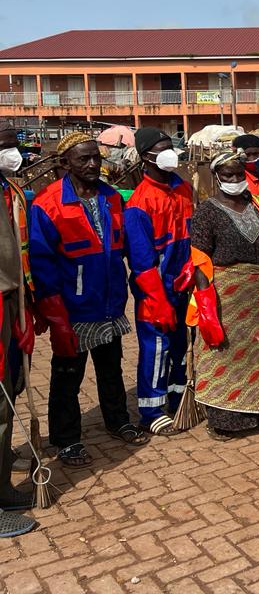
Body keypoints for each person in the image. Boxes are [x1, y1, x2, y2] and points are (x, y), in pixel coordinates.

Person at [30, 133, 147, 468]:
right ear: (65, 164)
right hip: (72, 308)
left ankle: (117, 420)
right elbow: (42, 266)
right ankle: (66, 439)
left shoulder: (111, 197)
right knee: (67, 375)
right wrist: (55, 318)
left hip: (109, 302)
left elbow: (124, 244)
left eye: (96, 157)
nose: (94, 164)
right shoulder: (48, 204)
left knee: (110, 367)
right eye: (84, 159)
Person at [189, 150, 259, 438]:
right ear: (216, 177)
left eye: (239, 175)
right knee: (226, 354)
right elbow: (200, 259)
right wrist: (206, 304)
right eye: (228, 175)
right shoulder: (207, 211)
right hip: (227, 293)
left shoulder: (257, 205)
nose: (235, 180)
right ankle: (225, 418)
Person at [124, 127, 193, 437]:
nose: (170, 153)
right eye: (163, 148)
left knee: (181, 342)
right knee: (156, 346)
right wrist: (156, 298)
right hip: (156, 287)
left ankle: (177, 395)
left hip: (183, 281)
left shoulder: (183, 189)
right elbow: (141, 261)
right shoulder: (139, 204)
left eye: (171, 146)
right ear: (146, 157)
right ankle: (151, 410)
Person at [0, 124, 35, 533]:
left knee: (7, 397)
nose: (12, 155)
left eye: (14, 147)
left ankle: (2, 484)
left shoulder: (11, 189)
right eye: (4, 148)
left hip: (11, 301)